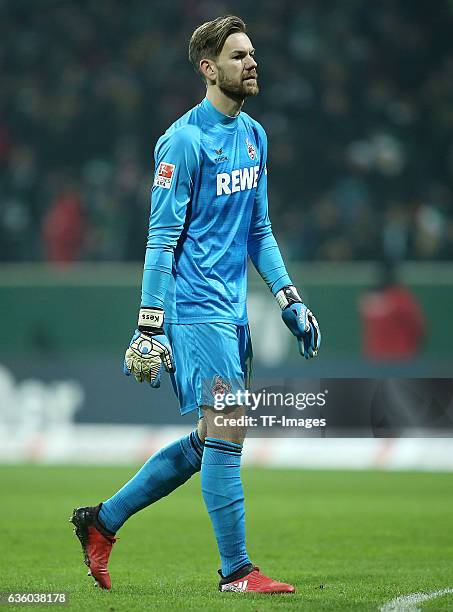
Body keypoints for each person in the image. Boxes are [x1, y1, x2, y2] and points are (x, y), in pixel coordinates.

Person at [70, 15, 320, 595]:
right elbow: (160, 238)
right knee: (228, 431)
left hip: (234, 312)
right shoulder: (181, 142)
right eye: (238, 56)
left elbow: (259, 229)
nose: (251, 63)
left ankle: (102, 522)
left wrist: (289, 298)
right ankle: (237, 572)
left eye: (252, 54)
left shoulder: (255, 136)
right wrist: (149, 324)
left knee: (214, 436)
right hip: (196, 309)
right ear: (208, 69)